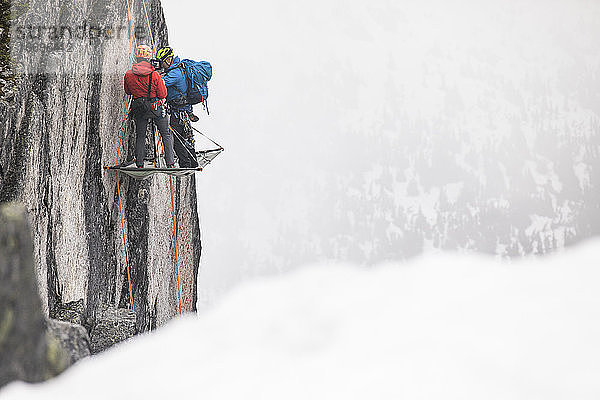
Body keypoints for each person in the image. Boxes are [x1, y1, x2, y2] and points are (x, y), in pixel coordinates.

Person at [124, 44, 175, 168]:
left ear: (136, 57)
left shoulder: (129, 74)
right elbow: (163, 94)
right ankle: (170, 163)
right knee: (165, 134)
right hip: (154, 107)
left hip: (139, 108)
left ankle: (140, 163)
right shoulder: (155, 75)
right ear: (148, 58)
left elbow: (128, 92)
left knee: (140, 135)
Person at [155, 46, 199, 168]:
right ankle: (192, 162)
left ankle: (186, 164)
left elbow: (160, 83)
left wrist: (154, 74)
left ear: (168, 60)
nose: (162, 65)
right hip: (184, 111)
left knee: (177, 139)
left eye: (162, 62)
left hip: (178, 112)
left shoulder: (174, 74)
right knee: (186, 137)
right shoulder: (179, 69)